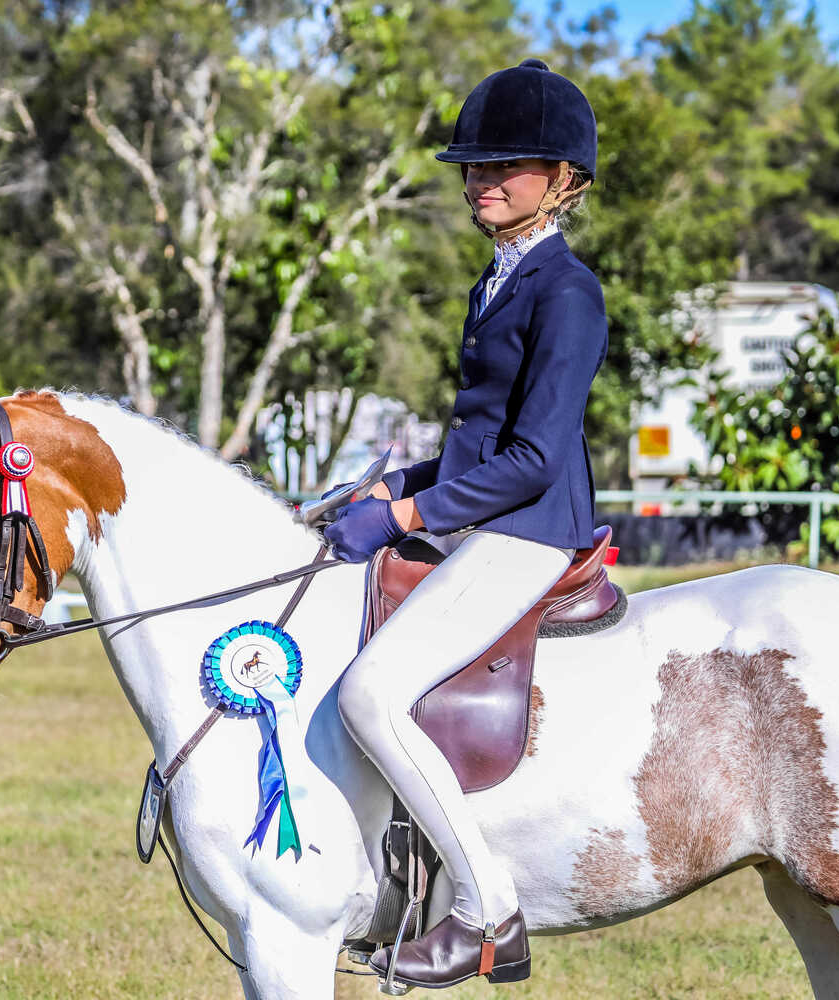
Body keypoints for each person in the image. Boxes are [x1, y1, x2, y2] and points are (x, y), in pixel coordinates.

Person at [323, 58, 608, 990]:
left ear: (562, 181)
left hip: (530, 531)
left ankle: (485, 911)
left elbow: (530, 458)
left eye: (506, 168)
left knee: (369, 695)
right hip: (492, 515)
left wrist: (407, 513)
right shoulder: (497, 282)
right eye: (473, 167)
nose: (482, 182)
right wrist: (378, 490)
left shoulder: (565, 291)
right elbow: (474, 445)